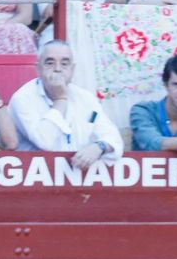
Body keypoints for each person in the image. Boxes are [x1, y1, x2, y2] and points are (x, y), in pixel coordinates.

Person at [8, 39, 123, 168]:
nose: (58, 69)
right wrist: (60, 99)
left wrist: (99, 147)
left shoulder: (86, 98)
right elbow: (44, 141)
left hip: (79, 177)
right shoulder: (23, 98)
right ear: (38, 68)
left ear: (72, 69)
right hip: (33, 178)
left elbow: (113, 137)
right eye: (50, 63)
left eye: (64, 63)